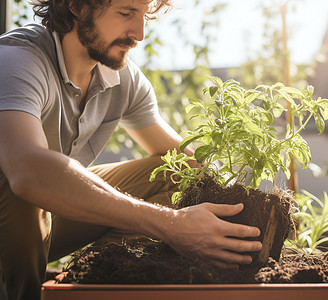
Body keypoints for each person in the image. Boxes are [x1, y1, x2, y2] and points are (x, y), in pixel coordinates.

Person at [0, 1, 262, 299]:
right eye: (126, 13)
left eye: (144, 16)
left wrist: (248, 207)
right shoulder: (17, 60)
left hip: (47, 225)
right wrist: (170, 224)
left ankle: (93, 282)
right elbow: (27, 172)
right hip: (12, 214)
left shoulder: (121, 77)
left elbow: (181, 157)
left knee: (175, 172)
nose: (139, 33)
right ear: (76, 7)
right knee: (24, 184)